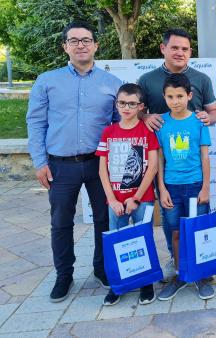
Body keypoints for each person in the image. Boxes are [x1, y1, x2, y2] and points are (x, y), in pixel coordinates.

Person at [26, 20, 122, 302]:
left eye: (86, 40)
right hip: (60, 165)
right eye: (74, 40)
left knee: (104, 219)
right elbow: (35, 123)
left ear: (96, 45)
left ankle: (102, 269)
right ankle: (64, 275)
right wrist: (39, 161)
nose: (81, 45)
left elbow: (120, 126)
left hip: (99, 165)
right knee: (61, 222)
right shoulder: (47, 81)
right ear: (65, 46)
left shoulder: (112, 83)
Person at [138, 28, 216, 278]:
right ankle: (177, 262)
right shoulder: (147, 80)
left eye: (185, 49)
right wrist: (146, 116)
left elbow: (215, 112)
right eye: (174, 47)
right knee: (171, 222)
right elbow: (136, 111)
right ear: (163, 49)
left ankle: (200, 265)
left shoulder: (202, 79)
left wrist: (209, 116)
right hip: (164, 162)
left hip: (193, 169)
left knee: (197, 220)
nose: (180, 53)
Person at [95, 83, 159, 306]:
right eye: (122, 103)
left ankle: (146, 283)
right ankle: (118, 285)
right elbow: (102, 168)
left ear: (140, 106)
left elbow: (152, 167)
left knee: (144, 239)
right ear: (116, 104)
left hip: (142, 198)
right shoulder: (109, 132)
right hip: (116, 200)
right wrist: (112, 199)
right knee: (117, 243)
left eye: (132, 103)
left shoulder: (146, 131)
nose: (126, 107)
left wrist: (136, 198)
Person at [154, 73, 215, 301]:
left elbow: (205, 157)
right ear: (164, 97)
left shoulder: (199, 122)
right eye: (170, 97)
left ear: (189, 96)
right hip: (171, 186)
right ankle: (180, 275)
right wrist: (162, 188)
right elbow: (159, 158)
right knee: (176, 233)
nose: (175, 101)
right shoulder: (161, 123)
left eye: (180, 96)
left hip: (196, 185)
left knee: (197, 230)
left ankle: (199, 276)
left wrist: (206, 187)